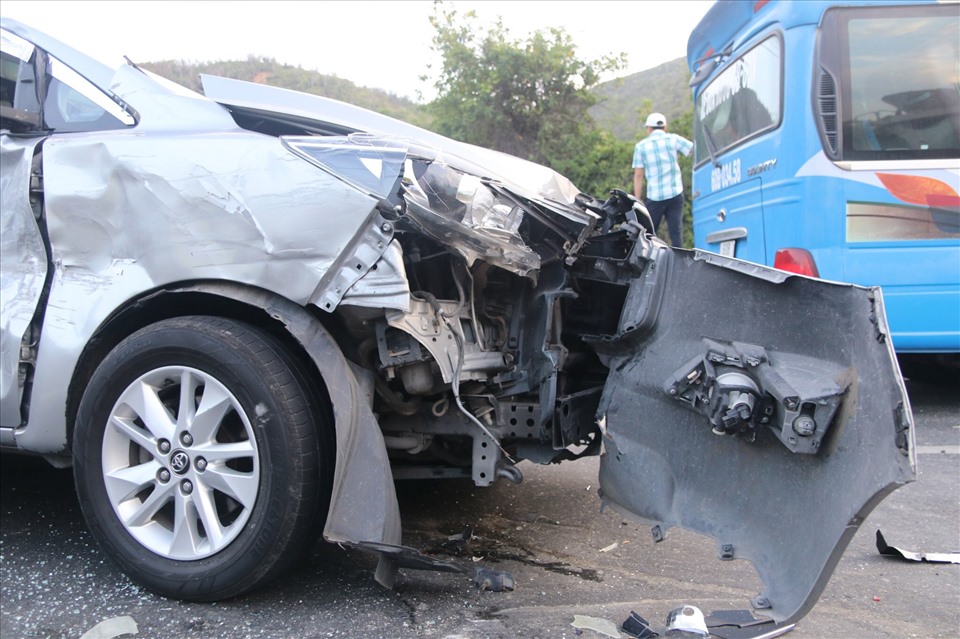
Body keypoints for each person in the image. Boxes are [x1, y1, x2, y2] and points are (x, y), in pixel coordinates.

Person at [632, 112, 693, 248]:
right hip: (675, 193)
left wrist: (638, 199)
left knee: (648, 235)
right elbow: (693, 150)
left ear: (649, 129)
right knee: (676, 234)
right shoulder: (673, 139)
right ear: (664, 127)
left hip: (655, 197)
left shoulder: (641, 146)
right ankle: (680, 264)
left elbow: (638, 175)